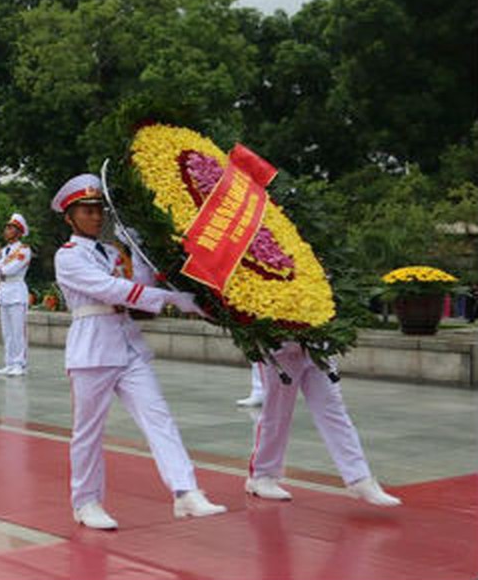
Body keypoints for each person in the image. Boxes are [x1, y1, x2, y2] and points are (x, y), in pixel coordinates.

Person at [51, 173, 226, 530]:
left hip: (127, 344)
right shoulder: (67, 256)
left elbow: (137, 287)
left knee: (158, 416)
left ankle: (185, 491)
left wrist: (138, 251)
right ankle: (85, 502)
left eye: (99, 209)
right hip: (93, 349)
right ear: (69, 217)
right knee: (88, 431)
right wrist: (175, 300)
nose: (96, 217)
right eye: (86, 211)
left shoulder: (113, 252)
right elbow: (112, 290)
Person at [245, 348, 401, 506]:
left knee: (333, 411)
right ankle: (261, 475)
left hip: (318, 346)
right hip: (279, 345)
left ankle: (359, 477)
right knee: (277, 414)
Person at [0, 213, 32, 376]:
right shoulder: (3, 251)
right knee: (7, 331)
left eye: (11, 228)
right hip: (4, 291)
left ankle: (19, 364)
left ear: (19, 231)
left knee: (17, 331)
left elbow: (10, 269)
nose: (7, 230)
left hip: (16, 291)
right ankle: (9, 362)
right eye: (7, 227)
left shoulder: (24, 250)